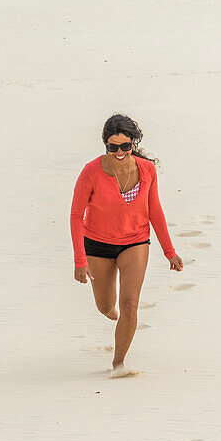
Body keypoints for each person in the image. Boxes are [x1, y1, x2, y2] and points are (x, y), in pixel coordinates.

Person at [70, 114, 183, 375]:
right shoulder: (91, 172)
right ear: (105, 145)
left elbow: (155, 211)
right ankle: (110, 311)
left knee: (130, 304)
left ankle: (118, 364)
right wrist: (80, 261)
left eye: (125, 146)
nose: (119, 152)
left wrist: (170, 252)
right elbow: (76, 216)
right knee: (105, 305)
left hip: (135, 242)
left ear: (133, 143)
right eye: (113, 147)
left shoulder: (147, 170)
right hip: (98, 243)